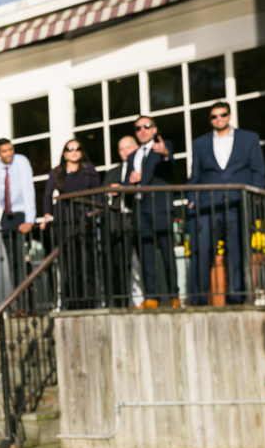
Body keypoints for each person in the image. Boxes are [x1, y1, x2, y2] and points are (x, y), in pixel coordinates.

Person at [187, 101, 265, 305]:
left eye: (222, 115)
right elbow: (195, 174)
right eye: (214, 116)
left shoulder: (249, 139)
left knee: (237, 250)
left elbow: (258, 170)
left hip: (238, 203)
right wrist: (191, 200)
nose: (219, 119)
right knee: (202, 251)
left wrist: (254, 196)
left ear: (229, 116)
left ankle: (236, 296)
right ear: (210, 119)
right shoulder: (200, 143)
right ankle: (198, 298)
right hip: (207, 205)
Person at [41, 139, 102, 308]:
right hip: (64, 220)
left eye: (77, 148)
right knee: (67, 263)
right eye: (70, 149)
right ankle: (70, 300)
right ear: (64, 153)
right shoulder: (57, 172)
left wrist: (94, 211)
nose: (73, 152)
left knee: (85, 261)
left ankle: (88, 299)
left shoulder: (88, 170)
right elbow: (47, 195)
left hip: (84, 217)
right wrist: (47, 214)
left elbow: (98, 193)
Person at [129, 116, 180, 308]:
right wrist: (130, 181)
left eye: (146, 126)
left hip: (160, 208)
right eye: (138, 128)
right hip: (140, 211)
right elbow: (128, 182)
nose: (142, 130)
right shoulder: (133, 155)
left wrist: (165, 153)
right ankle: (151, 296)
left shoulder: (162, 146)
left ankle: (174, 295)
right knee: (146, 256)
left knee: (167, 254)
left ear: (154, 129)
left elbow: (171, 162)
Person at [0, 138, 36, 301]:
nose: (9, 153)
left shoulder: (21, 162)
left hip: (22, 214)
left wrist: (30, 220)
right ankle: (19, 303)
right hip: (7, 216)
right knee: (13, 262)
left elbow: (28, 190)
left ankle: (30, 303)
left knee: (24, 261)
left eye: (11, 149)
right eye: (4, 151)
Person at [102, 135, 143, 306]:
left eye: (129, 147)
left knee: (144, 262)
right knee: (121, 263)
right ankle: (122, 302)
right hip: (120, 221)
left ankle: (148, 299)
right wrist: (110, 194)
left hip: (142, 219)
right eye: (122, 149)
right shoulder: (113, 173)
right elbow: (102, 198)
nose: (126, 151)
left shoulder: (144, 167)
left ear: (136, 148)